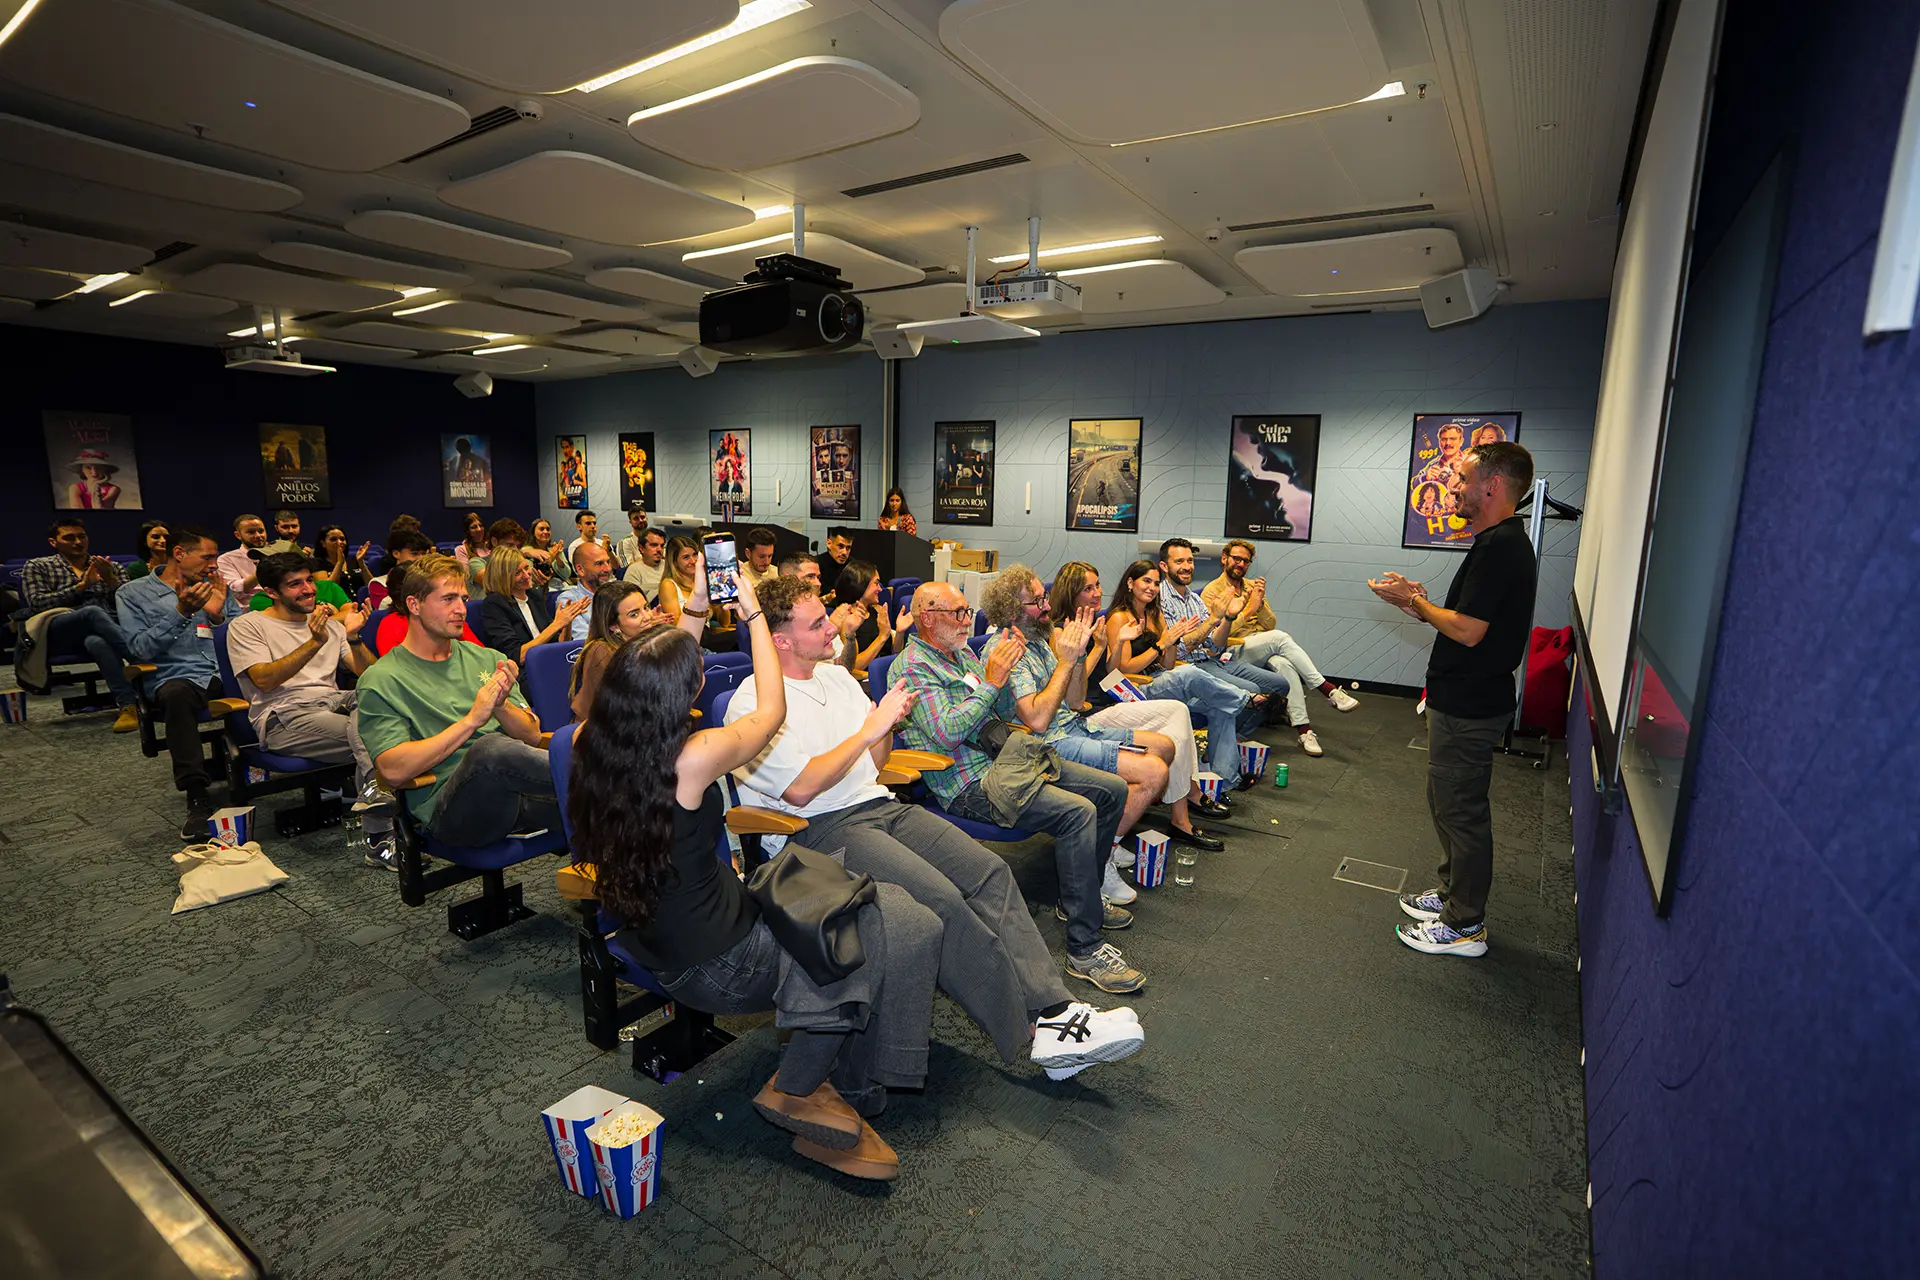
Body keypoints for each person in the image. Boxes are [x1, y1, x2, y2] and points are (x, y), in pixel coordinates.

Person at [571, 562, 941, 1179]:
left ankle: (830, 1076)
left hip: (661, 936)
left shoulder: (598, 743)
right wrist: (751, 616)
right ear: (685, 690)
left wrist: (696, 602)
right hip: (721, 961)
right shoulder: (693, 757)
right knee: (870, 927)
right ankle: (803, 1087)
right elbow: (771, 711)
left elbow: (660, 665)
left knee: (852, 904)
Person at [728, 575, 1144, 1078]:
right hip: (815, 829)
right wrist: (870, 729)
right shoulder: (754, 703)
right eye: (817, 624)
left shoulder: (835, 679)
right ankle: (1038, 1029)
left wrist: (881, 729)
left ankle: (1055, 1006)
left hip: (876, 804)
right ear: (779, 640)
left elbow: (874, 764)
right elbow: (799, 790)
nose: (831, 628)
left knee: (990, 873)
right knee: (942, 901)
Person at [893, 582, 1142, 994]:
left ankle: (1078, 900)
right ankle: (1084, 949)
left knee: (1111, 789)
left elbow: (1006, 713)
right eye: (957, 613)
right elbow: (947, 733)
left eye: (966, 611)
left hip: (1008, 759)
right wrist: (992, 682)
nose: (967, 621)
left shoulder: (962, 654)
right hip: (967, 782)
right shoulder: (912, 667)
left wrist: (1008, 679)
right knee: (1079, 813)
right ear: (928, 618)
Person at [1369, 442, 1539, 959]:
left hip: (1470, 704)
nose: (1455, 487)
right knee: (1446, 801)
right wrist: (1420, 604)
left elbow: (1467, 631)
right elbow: (1468, 621)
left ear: (1492, 486)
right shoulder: (1497, 542)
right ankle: (1451, 893)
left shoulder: (1500, 546)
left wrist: (1415, 601)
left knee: (1461, 811)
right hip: (1464, 698)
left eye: (1464, 479)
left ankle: (1464, 925)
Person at [985, 567, 1224, 900]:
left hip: (1072, 725)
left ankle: (1104, 843)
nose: (1047, 606)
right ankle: (1101, 859)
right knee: (1154, 772)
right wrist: (1066, 662)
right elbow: (1037, 721)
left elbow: (1074, 701)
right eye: (1037, 601)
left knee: (1165, 747)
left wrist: (1078, 655)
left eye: (1044, 597)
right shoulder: (1006, 650)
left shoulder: (1037, 640)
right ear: (1013, 611)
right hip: (1044, 744)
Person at [354, 553, 554, 849]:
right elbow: (393, 771)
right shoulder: (381, 680)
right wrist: (472, 720)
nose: (461, 609)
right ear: (414, 605)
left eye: (463, 598)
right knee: (490, 749)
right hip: (450, 812)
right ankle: (598, 778)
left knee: (603, 809)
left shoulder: (487, 658)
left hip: (518, 794)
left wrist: (501, 705)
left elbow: (533, 735)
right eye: (448, 599)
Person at [226, 553, 393, 866]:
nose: (308, 589)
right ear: (271, 592)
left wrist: (353, 637)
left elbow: (372, 676)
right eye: (295, 584)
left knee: (376, 695)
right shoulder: (247, 626)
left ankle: (374, 790)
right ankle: (380, 838)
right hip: (284, 715)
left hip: (334, 702)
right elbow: (264, 680)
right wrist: (314, 643)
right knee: (379, 736)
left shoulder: (329, 625)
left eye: (308, 581)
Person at [116, 526, 248, 837]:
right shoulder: (133, 594)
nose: (214, 565)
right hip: (176, 676)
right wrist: (181, 613)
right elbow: (139, 649)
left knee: (265, 677)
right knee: (177, 695)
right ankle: (196, 795)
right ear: (179, 554)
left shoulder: (216, 586)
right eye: (207, 558)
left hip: (221, 673)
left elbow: (244, 635)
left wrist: (217, 618)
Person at [1104, 560, 1262, 794]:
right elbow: (1123, 669)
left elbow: (1167, 665)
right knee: (1189, 672)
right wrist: (1160, 645)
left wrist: (1173, 641)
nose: (1152, 588)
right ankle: (1244, 699)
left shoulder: (1154, 614)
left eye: (1156, 583)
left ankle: (1225, 780)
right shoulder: (1119, 617)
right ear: (1130, 582)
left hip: (1160, 678)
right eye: (1146, 581)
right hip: (1135, 688)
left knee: (1220, 707)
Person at [1202, 540, 1358, 758]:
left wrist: (1260, 604)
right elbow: (1214, 634)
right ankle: (1327, 688)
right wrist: (1249, 610)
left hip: (1260, 644)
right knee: (1280, 638)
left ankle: (1304, 730)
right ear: (1224, 559)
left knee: (1284, 664)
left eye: (1245, 561)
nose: (1241, 564)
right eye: (1236, 558)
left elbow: (1270, 623)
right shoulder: (1212, 591)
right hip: (1232, 649)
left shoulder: (1251, 587)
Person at [1157, 537, 1291, 769]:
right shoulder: (1160, 600)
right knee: (1252, 690)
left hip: (1214, 659)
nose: (1187, 566)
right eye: (1179, 561)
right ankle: (1224, 746)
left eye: (1190, 561)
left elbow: (1215, 645)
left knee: (1280, 684)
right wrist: (1212, 620)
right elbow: (1177, 650)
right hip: (1190, 666)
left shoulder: (1193, 598)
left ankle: (1231, 738)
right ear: (1164, 566)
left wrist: (1228, 617)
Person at [18, 517, 139, 731]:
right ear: (53, 542)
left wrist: (110, 580)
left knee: (97, 643)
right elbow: (37, 603)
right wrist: (81, 587)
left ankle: (128, 706)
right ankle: (143, 660)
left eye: (81, 536)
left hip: (104, 629)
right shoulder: (38, 566)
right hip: (59, 628)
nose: (77, 542)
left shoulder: (110, 566)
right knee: (92, 612)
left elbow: (132, 603)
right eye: (69, 538)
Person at [568, 582, 663, 722]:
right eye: (634, 614)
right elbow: (626, 707)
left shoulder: (647, 641)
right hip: (604, 729)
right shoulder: (602, 651)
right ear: (613, 626)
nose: (647, 617)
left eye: (646, 607)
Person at [477, 548, 587, 666]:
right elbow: (518, 656)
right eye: (517, 573)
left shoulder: (534, 596)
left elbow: (559, 644)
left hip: (550, 661)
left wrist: (567, 623)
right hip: (524, 670)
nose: (526, 575)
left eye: (526, 568)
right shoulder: (494, 604)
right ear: (502, 577)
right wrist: (556, 625)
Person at [826, 560, 899, 672]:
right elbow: (853, 667)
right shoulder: (846, 620)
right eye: (876, 583)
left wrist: (900, 632)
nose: (880, 589)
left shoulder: (878, 610)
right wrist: (882, 637)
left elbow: (894, 654)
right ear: (861, 585)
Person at [553, 541, 616, 641]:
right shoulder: (570, 600)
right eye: (599, 564)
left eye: (608, 562)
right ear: (580, 569)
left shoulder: (617, 592)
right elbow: (586, 641)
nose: (608, 569)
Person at [369, 530, 433, 617]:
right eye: (414, 554)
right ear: (396, 553)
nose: (421, 558)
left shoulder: (433, 579)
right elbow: (388, 609)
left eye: (424, 554)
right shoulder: (378, 583)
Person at [215, 514, 270, 596]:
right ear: (238, 535)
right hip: (248, 603)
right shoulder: (226, 559)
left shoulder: (277, 554)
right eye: (251, 532)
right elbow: (234, 588)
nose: (258, 535)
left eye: (261, 531)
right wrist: (262, 571)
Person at [313, 525, 373, 600]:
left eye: (342, 539)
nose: (339, 542)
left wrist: (361, 563)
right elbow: (326, 592)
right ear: (323, 543)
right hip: (337, 604)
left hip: (362, 603)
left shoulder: (353, 560)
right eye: (333, 539)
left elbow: (372, 587)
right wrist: (339, 563)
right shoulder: (317, 563)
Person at [655, 535, 702, 623]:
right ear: (674, 561)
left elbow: (725, 622)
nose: (693, 561)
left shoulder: (703, 581)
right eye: (686, 557)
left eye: (695, 555)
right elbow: (676, 624)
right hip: (683, 631)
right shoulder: (668, 585)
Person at [621, 528, 668, 603]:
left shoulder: (670, 566)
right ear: (642, 548)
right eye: (654, 545)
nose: (659, 549)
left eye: (662, 546)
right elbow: (630, 601)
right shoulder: (634, 570)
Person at [528, 518, 572, 584]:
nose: (546, 532)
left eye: (548, 529)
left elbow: (567, 574)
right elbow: (530, 575)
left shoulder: (555, 548)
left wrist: (557, 557)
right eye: (541, 529)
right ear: (533, 532)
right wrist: (551, 555)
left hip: (561, 585)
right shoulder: (527, 551)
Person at [814, 529, 853, 602]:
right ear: (829, 543)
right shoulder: (815, 564)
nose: (844, 552)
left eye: (848, 548)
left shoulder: (853, 566)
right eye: (840, 546)